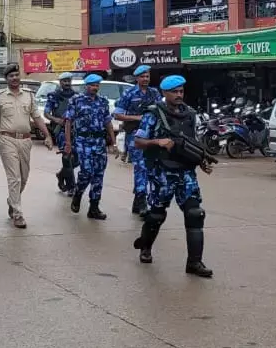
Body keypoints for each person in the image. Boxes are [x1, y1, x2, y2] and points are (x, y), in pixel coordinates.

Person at [132, 75, 214, 278]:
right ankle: (146, 247)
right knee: (157, 215)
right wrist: (157, 142)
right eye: (174, 92)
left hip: (186, 172)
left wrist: (201, 160)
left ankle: (194, 263)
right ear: (164, 93)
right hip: (162, 172)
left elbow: (192, 142)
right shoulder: (153, 113)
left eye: (181, 91)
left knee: (195, 213)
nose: (179, 95)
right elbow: (139, 141)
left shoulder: (190, 114)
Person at [0, 64, 53, 229]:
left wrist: (48, 135)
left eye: (16, 75)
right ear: (6, 79)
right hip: (7, 140)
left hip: (26, 141)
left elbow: (37, 118)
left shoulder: (29, 95)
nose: (14, 78)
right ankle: (18, 214)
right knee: (14, 178)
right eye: (11, 76)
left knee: (23, 178)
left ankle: (12, 200)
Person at [64, 74, 117, 220]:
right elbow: (68, 122)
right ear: (86, 86)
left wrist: (113, 142)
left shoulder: (103, 102)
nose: (95, 88)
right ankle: (78, 194)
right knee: (86, 172)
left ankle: (94, 207)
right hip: (83, 141)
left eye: (97, 85)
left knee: (99, 175)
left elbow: (108, 123)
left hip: (99, 142)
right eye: (92, 85)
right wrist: (68, 143)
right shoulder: (76, 100)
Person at [114, 65, 163, 217]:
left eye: (147, 76)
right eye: (142, 76)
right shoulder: (129, 93)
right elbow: (117, 115)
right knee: (141, 167)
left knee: (152, 168)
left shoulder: (154, 92)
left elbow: (161, 109)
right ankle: (142, 200)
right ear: (137, 78)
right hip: (135, 135)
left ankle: (138, 201)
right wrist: (139, 118)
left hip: (152, 135)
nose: (145, 79)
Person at [44, 72, 78, 194]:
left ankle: (61, 174)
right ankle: (71, 186)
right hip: (61, 130)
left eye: (69, 81)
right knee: (66, 157)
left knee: (78, 158)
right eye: (64, 81)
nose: (67, 83)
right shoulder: (53, 96)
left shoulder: (76, 96)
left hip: (75, 129)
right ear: (60, 82)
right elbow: (46, 113)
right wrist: (56, 119)